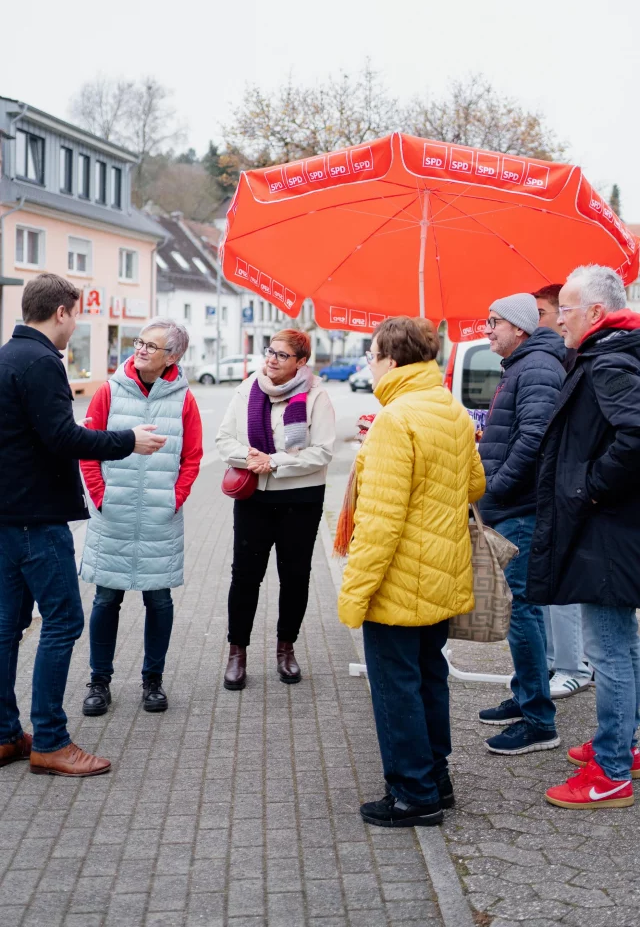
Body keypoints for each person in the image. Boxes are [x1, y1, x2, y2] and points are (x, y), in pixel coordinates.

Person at [0, 274, 166, 777]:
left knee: (7, 628)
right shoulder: (42, 362)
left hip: (7, 520)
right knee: (65, 621)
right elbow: (62, 436)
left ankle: (6, 734)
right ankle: (50, 740)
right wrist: (127, 440)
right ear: (62, 314)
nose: (77, 324)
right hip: (36, 521)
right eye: (77, 314)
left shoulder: (6, 355)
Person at [338, 317, 485, 828]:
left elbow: (378, 523)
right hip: (442, 573)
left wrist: (354, 595)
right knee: (429, 676)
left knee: (396, 685)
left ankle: (413, 795)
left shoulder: (395, 421)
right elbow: (473, 485)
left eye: (373, 355)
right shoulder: (451, 409)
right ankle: (436, 779)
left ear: (392, 361)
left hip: (398, 580)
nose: (369, 364)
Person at [528, 265, 640, 810]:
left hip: (608, 532)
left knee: (609, 652)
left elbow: (637, 433)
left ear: (595, 313)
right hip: (615, 531)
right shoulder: (614, 351)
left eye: (565, 309)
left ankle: (612, 771)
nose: (559, 320)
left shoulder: (610, 358)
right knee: (623, 645)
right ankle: (627, 746)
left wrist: (589, 488)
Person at [79, 318, 203, 716]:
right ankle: (99, 681)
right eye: (140, 343)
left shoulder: (184, 400)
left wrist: (174, 498)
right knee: (105, 598)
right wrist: (100, 496)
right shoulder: (109, 392)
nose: (142, 350)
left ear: (174, 356)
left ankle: (153, 680)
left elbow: (193, 457)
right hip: (112, 514)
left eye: (152, 346)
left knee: (159, 599)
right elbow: (88, 448)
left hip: (158, 517)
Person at [216, 330, 335, 690]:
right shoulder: (247, 390)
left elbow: (323, 452)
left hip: (301, 499)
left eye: (282, 355)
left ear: (301, 362)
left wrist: (276, 462)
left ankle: (286, 649)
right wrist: (253, 459)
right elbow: (225, 440)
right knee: (245, 576)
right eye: (270, 352)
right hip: (255, 498)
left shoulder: (316, 396)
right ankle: (237, 652)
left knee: (295, 576)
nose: (271, 359)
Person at [477, 292, 565, 754]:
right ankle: (526, 694)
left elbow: (534, 440)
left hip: (520, 509)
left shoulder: (536, 368)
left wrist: (496, 488)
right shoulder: (523, 366)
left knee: (522, 610)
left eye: (494, 322)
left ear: (519, 328)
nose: (487, 329)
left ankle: (538, 720)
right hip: (513, 507)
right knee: (520, 609)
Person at [532, 284, 593, 700]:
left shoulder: (569, 360)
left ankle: (573, 666)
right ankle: (563, 662)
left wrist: (581, 484)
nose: (536, 319)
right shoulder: (561, 358)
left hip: (570, 489)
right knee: (552, 580)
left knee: (566, 580)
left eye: (541, 311)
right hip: (556, 486)